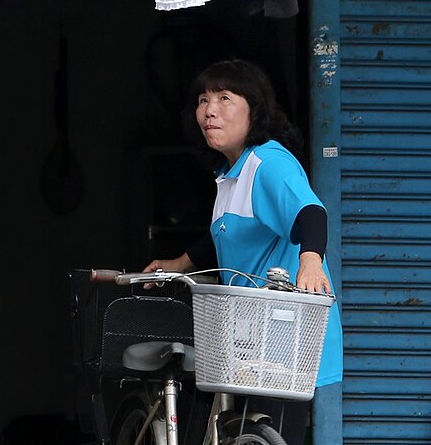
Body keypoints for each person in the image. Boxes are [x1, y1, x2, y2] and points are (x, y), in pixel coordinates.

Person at [143, 59, 342, 445]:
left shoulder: (268, 162)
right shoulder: (230, 173)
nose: (209, 110)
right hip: (250, 330)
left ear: (255, 108)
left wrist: (311, 260)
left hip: (287, 331)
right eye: (202, 100)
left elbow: (310, 212)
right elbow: (223, 235)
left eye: (224, 97)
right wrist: (179, 263)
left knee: (272, 434)